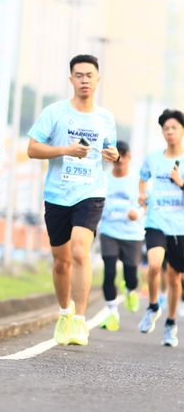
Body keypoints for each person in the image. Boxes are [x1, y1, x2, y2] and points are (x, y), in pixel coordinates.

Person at [27, 54, 118, 347]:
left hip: (91, 192)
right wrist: (65, 150)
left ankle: (79, 320)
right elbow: (32, 149)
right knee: (61, 261)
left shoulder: (106, 118)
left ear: (97, 79)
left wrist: (113, 154)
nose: (84, 80)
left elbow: (110, 150)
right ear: (71, 79)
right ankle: (65, 312)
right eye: (79, 75)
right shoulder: (55, 112)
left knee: (80, 250)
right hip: (57, 194)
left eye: (89, 75)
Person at [138, 109, 184, 347]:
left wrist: (180, 183)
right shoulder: (153, 158)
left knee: (175, 279)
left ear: (182, 130)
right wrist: (142, 195)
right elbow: (142, 177)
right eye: (166, 128)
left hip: (180, 227)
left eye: (174, 128)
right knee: (154, 265)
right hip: (155, 221)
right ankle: (153, 306)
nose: (170, 132)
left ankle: (170, 323)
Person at [98, 141, 145, 331]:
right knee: (109, 272)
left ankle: (131, 289)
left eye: (123, 156)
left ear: (129, 157)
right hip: (109, 231)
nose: (119, 161)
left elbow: (146, 203)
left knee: (130, 275)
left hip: (132, 234)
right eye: (116, 157)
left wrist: (138, 213)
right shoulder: (104, 178)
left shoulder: (137, 179)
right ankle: (112, 312)